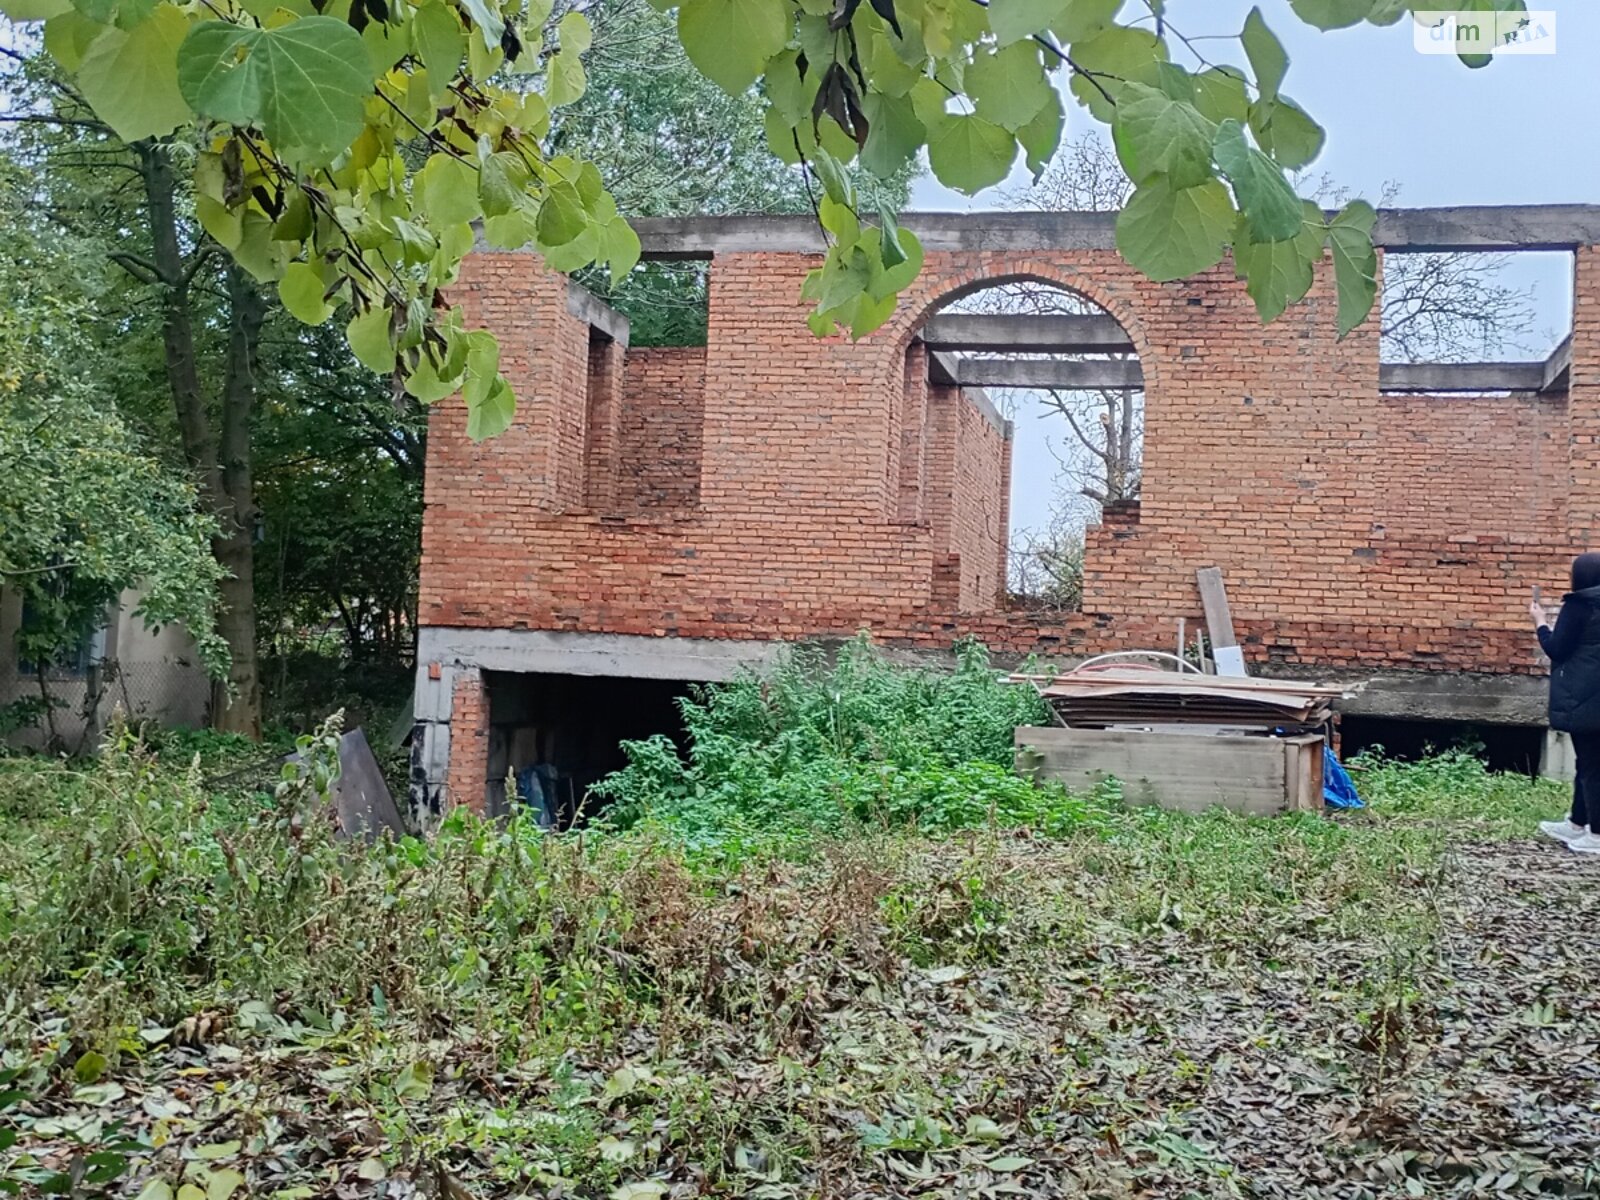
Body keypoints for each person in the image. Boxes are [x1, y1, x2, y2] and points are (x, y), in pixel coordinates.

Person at [1533, 551, 1600, 853]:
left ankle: (1596, 835)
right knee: (1588, 762)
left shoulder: (1579, 606)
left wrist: (1540, 623)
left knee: (1591, 767)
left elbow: (1557, 648)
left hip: (1583, 696)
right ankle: (1577, 823)